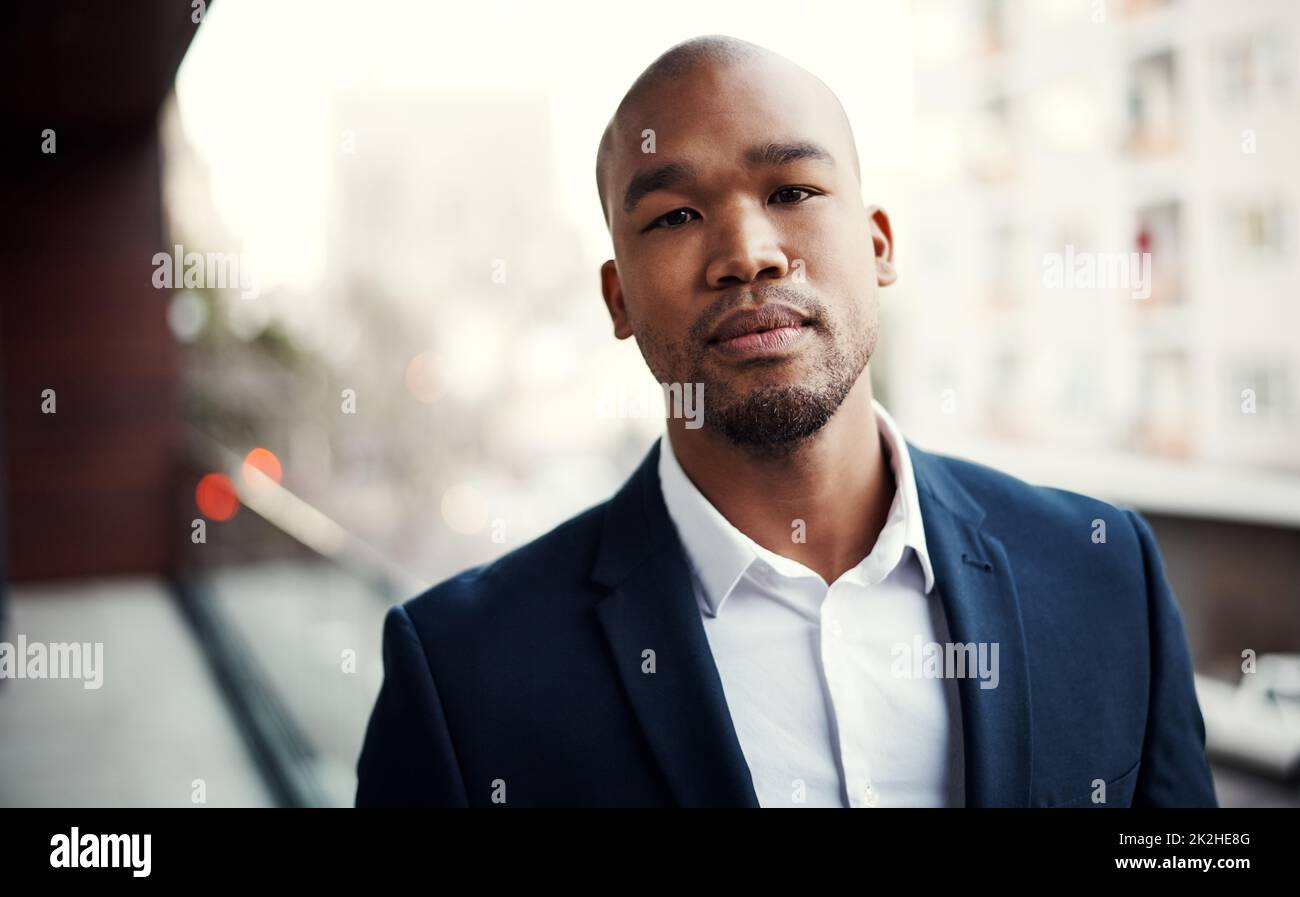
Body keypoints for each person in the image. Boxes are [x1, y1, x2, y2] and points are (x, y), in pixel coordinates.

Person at [356, 35, 1217, 808]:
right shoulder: (464, 672)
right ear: (618, 297)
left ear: (879, 243)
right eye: (675, 215)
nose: (746, 252)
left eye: (793, 188)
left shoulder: (1105, 574)